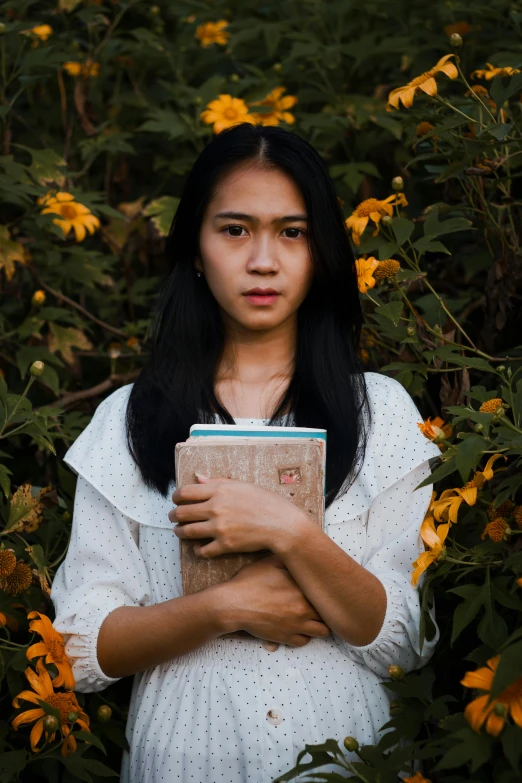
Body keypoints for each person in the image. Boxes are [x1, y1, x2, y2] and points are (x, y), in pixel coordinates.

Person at [51, 122, 441, 783]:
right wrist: (222, 608)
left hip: (346, 753)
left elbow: (407, 642)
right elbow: (80, 650)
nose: (264, 259)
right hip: (186, 751)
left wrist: (288, 530)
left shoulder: (381, 411)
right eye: (235, 229)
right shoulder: (128, 419)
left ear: (320, 251)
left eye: (292, 231)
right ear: (196, 251)